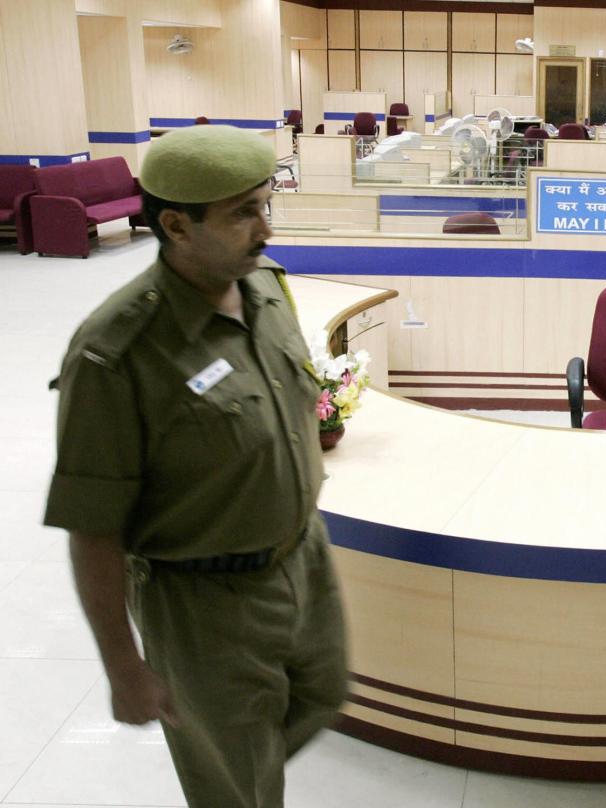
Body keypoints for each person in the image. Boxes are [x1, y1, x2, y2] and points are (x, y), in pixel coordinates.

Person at [44, 125, 347, 808]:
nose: (265, 226)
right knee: (236, 786)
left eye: (267, 203)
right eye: (244, 212)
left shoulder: (266, 288)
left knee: (324, 693)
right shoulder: (116, 353)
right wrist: (124, 665)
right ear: (177, 225)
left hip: (305, 561)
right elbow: (92, 527)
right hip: (204, 604)